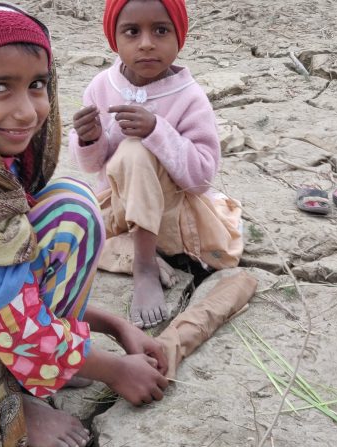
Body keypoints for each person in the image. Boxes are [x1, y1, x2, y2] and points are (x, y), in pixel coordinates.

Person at [0, 1, 169, 447]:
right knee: (70, 217)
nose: (28, 111)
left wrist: (110, 325)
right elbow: (15, 322)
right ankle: (13, 398)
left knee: (69, 207)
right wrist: (114, 369)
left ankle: (51, 363)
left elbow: (5, 282)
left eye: (36, 85)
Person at [70, 0, 243, 329]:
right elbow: (93, 166)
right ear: (114, 40)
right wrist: (89, 139)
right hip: (118, 207)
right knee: (64, 226)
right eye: (132, 32)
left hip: (168, 213)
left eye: (161, 30)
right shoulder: (101, 87)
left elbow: (202, 177)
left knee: (135, 151)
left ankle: (144, 266)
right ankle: (131, 248)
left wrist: (157, 131)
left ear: (179, 37)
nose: (146, 43)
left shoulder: (189, 97)